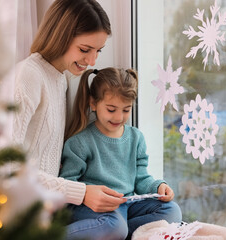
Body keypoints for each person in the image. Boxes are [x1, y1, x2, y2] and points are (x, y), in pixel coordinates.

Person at [12, 0, 127, 216]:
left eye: (98, 51)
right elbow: (7, 165)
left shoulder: (60, 79)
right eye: (85, 49)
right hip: (21, 215)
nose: (92, 61)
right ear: (60, 35)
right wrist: (81, 193)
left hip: (49, 209)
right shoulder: (29, 75)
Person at [60, 68, 182, 240]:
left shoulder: (136, 137)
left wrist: (157, 187)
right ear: (93, 103)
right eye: (111, 109)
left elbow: (141, 178)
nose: (119, 117)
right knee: (114, 225)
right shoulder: (80, 143)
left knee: (172, 211)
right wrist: (87, 194)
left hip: (126, 204)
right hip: (91, 207)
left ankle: (116, 233)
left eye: (126, 110)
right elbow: (67, 185)